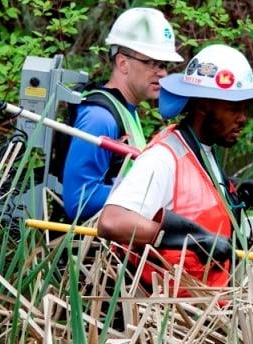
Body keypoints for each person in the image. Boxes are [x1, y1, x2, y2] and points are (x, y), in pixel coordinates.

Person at [98, 44, 253, 294]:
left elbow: (196, 203)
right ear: (204, 105)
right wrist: (185, 238)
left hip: (208, 307)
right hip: (168, 317)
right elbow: (112, 222)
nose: (243, 118)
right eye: (234, 107)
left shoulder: (204, 149)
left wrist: (235, 195)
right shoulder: (162, 159)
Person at [62, 8, 183, 220]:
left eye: (164, 65)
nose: (163, 73)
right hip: (85, 249)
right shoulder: (100, 118)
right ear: (123, 63)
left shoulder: (125, 111)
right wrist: (152, 193)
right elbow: (79, 201)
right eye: (152, 63)